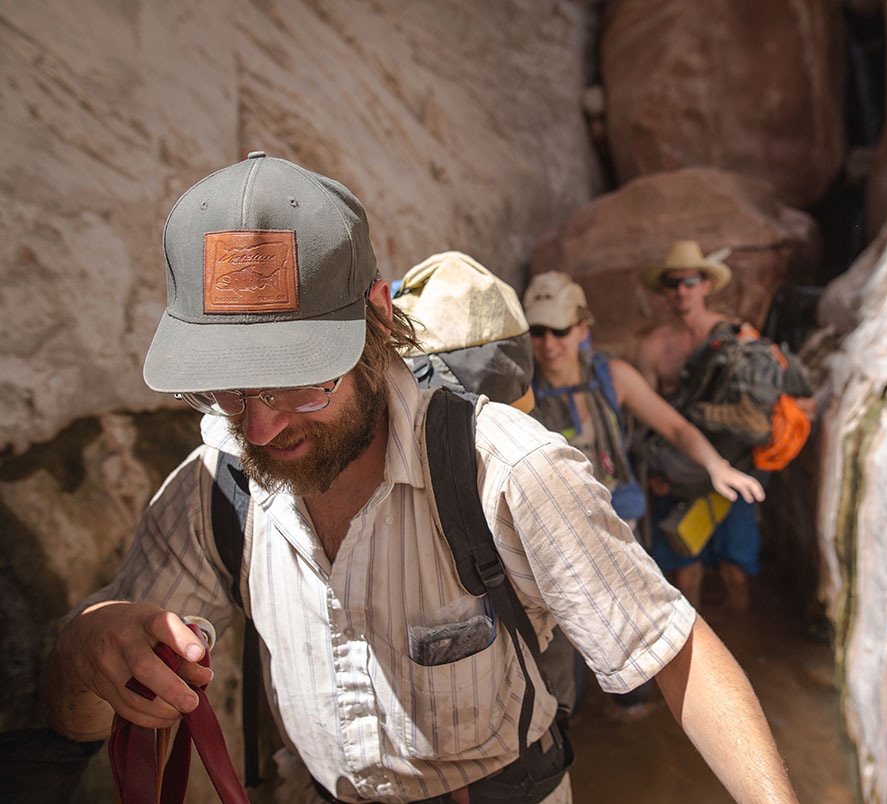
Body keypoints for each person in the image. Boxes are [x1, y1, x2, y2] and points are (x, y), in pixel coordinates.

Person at [41, 153, 799, 804]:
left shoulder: (505, 469)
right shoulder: (215, 487)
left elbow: (673, 652)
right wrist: (87, 645)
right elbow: (80, 719)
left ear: (377, 319)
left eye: (300, 383)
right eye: (229, 391)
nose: (262, 427)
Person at [521, 271, 764, 717]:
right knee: (565, 664)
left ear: (582, 328)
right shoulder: (522, 391)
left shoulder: (611, 377)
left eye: (559, 330)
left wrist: (716, 466)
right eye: (537, 331)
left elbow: (674, 426)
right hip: (556, 538)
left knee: (632, 661)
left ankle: (632, 717)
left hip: (616, 527)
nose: (549, 344)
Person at [635, 240, 768, 612]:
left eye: (690, 281)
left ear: (706, 285)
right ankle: (696, 647)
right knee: (684, 575)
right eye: (673, 283)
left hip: (734, 467)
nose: (682, 290)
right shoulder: (653, 346)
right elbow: (645, 419)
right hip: (676, 473)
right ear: (664, 290)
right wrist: (652, 474)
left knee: (736, 572)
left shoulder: (738, 335)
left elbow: (764, 398)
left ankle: (742, 638)